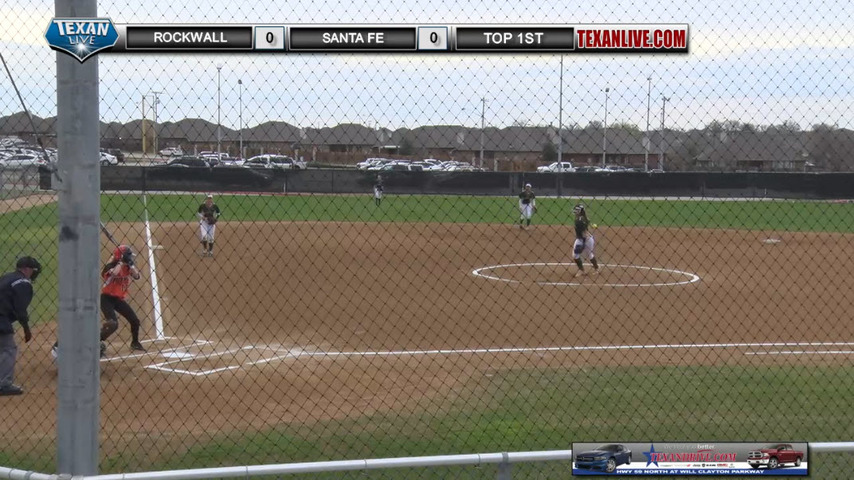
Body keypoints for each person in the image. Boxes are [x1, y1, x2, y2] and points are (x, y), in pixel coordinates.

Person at [0, 256, 41, 396]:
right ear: (26, 269)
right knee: (9, 348)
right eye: (33, 270)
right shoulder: (23, 282)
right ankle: (4, 384)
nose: (34, 273)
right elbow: (20, 310)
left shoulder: (7, 277)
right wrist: (26, 329)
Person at [100, 245, 145, 355]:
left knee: (135, 320)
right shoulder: (110, 266)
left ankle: (135, 342)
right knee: (113, 324)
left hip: (118, 299)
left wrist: (131, 265)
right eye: (129, 257)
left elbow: (137, 276)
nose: (131, 258)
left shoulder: (127, 267)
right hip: (106, 299)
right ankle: (96, 341)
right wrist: (121, 262)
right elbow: (114, 273)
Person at [572, 203, 599, 276]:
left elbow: (584, 234)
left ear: (579, 211)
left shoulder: (579, 221)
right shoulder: (584, 217)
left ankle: (595, 268)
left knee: (588, 254)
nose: (575, 211)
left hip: (586, 239)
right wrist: (592, 226)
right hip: (583, 238)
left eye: (576, 210)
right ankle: (583, 270)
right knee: (576, 255)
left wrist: (583, 244)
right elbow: (588, 222)